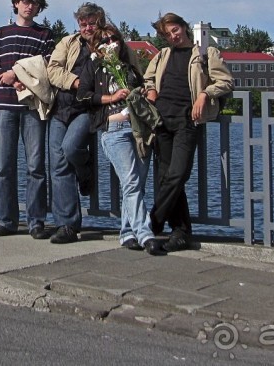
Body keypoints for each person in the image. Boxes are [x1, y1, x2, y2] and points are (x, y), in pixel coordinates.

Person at [143, 13, 233, 252]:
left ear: (183, 28)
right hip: (161, 121)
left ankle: (152, 221)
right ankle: (181, 232)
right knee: (165, 177)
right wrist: (151, 90)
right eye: (167, 34)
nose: (173, 36)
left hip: (187, 120)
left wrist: (205, 94)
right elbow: (148, 79)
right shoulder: (163, 55)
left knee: (178, 174)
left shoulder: (205, 54)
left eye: (175, 30)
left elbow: (226, 81)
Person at [77, 23, 164, 255]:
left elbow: (141, 86)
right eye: (103, 41)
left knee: (137, 183)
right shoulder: (92, 68)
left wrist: (142, 93)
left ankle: (127, 233)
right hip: (113, 129)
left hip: (138, 129)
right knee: (131, 181)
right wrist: (110, 97)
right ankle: (146, 235)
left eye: (113, 39)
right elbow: (83, 96)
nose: (109, 44)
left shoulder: (128, 68)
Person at [0, 0, 56, 239]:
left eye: (35, 2)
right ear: (16, 3)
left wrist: (17, 73)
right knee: (4, 166)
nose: (29, 5)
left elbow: (46, 66)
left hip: (32, 106)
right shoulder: (1, 33)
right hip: (4, 105)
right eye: (25, 1)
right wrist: (6, 76)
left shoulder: (45, 35)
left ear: (40, 7)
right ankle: (7, 221)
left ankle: (36, 222)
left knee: (35, 166)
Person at [45, 2, 104, 244]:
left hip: (89, 108)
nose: (87, 28)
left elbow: (128, 68)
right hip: (62, 106)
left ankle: (85, 167)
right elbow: (53, 70)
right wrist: (76, 82)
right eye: (83, 24)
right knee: (58, 165)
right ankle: (67, 225)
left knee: (70, 149)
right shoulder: (68, 43)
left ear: (99, 22)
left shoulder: (110, 44)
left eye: (92, 23)